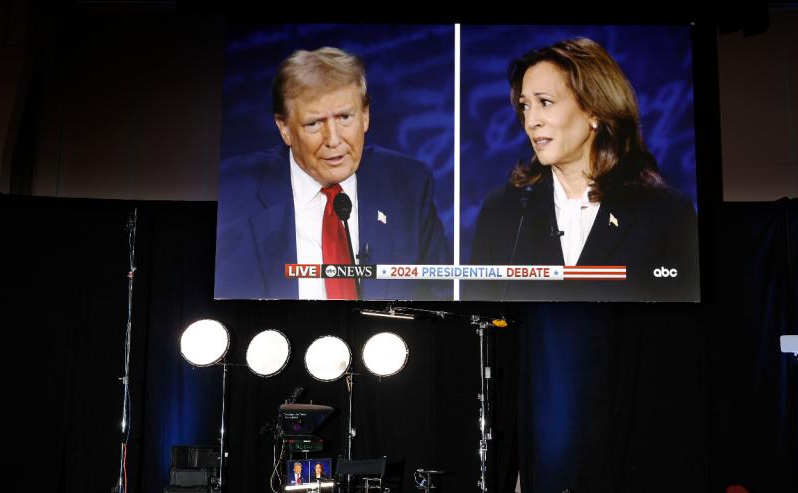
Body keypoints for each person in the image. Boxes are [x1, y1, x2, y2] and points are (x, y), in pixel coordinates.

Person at [466, 38, 699, 301]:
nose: (531, 121)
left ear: (594, 110)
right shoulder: (503, 210)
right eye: (525, 106)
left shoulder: (665, 214)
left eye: (545, 102)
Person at [215, 46, 451, 300]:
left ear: (365, 116)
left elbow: (440, 296)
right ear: (284, 128)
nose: (334, 140)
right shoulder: (235, 193)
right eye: (314, 123)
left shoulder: (408, 185)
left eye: (344, 117)